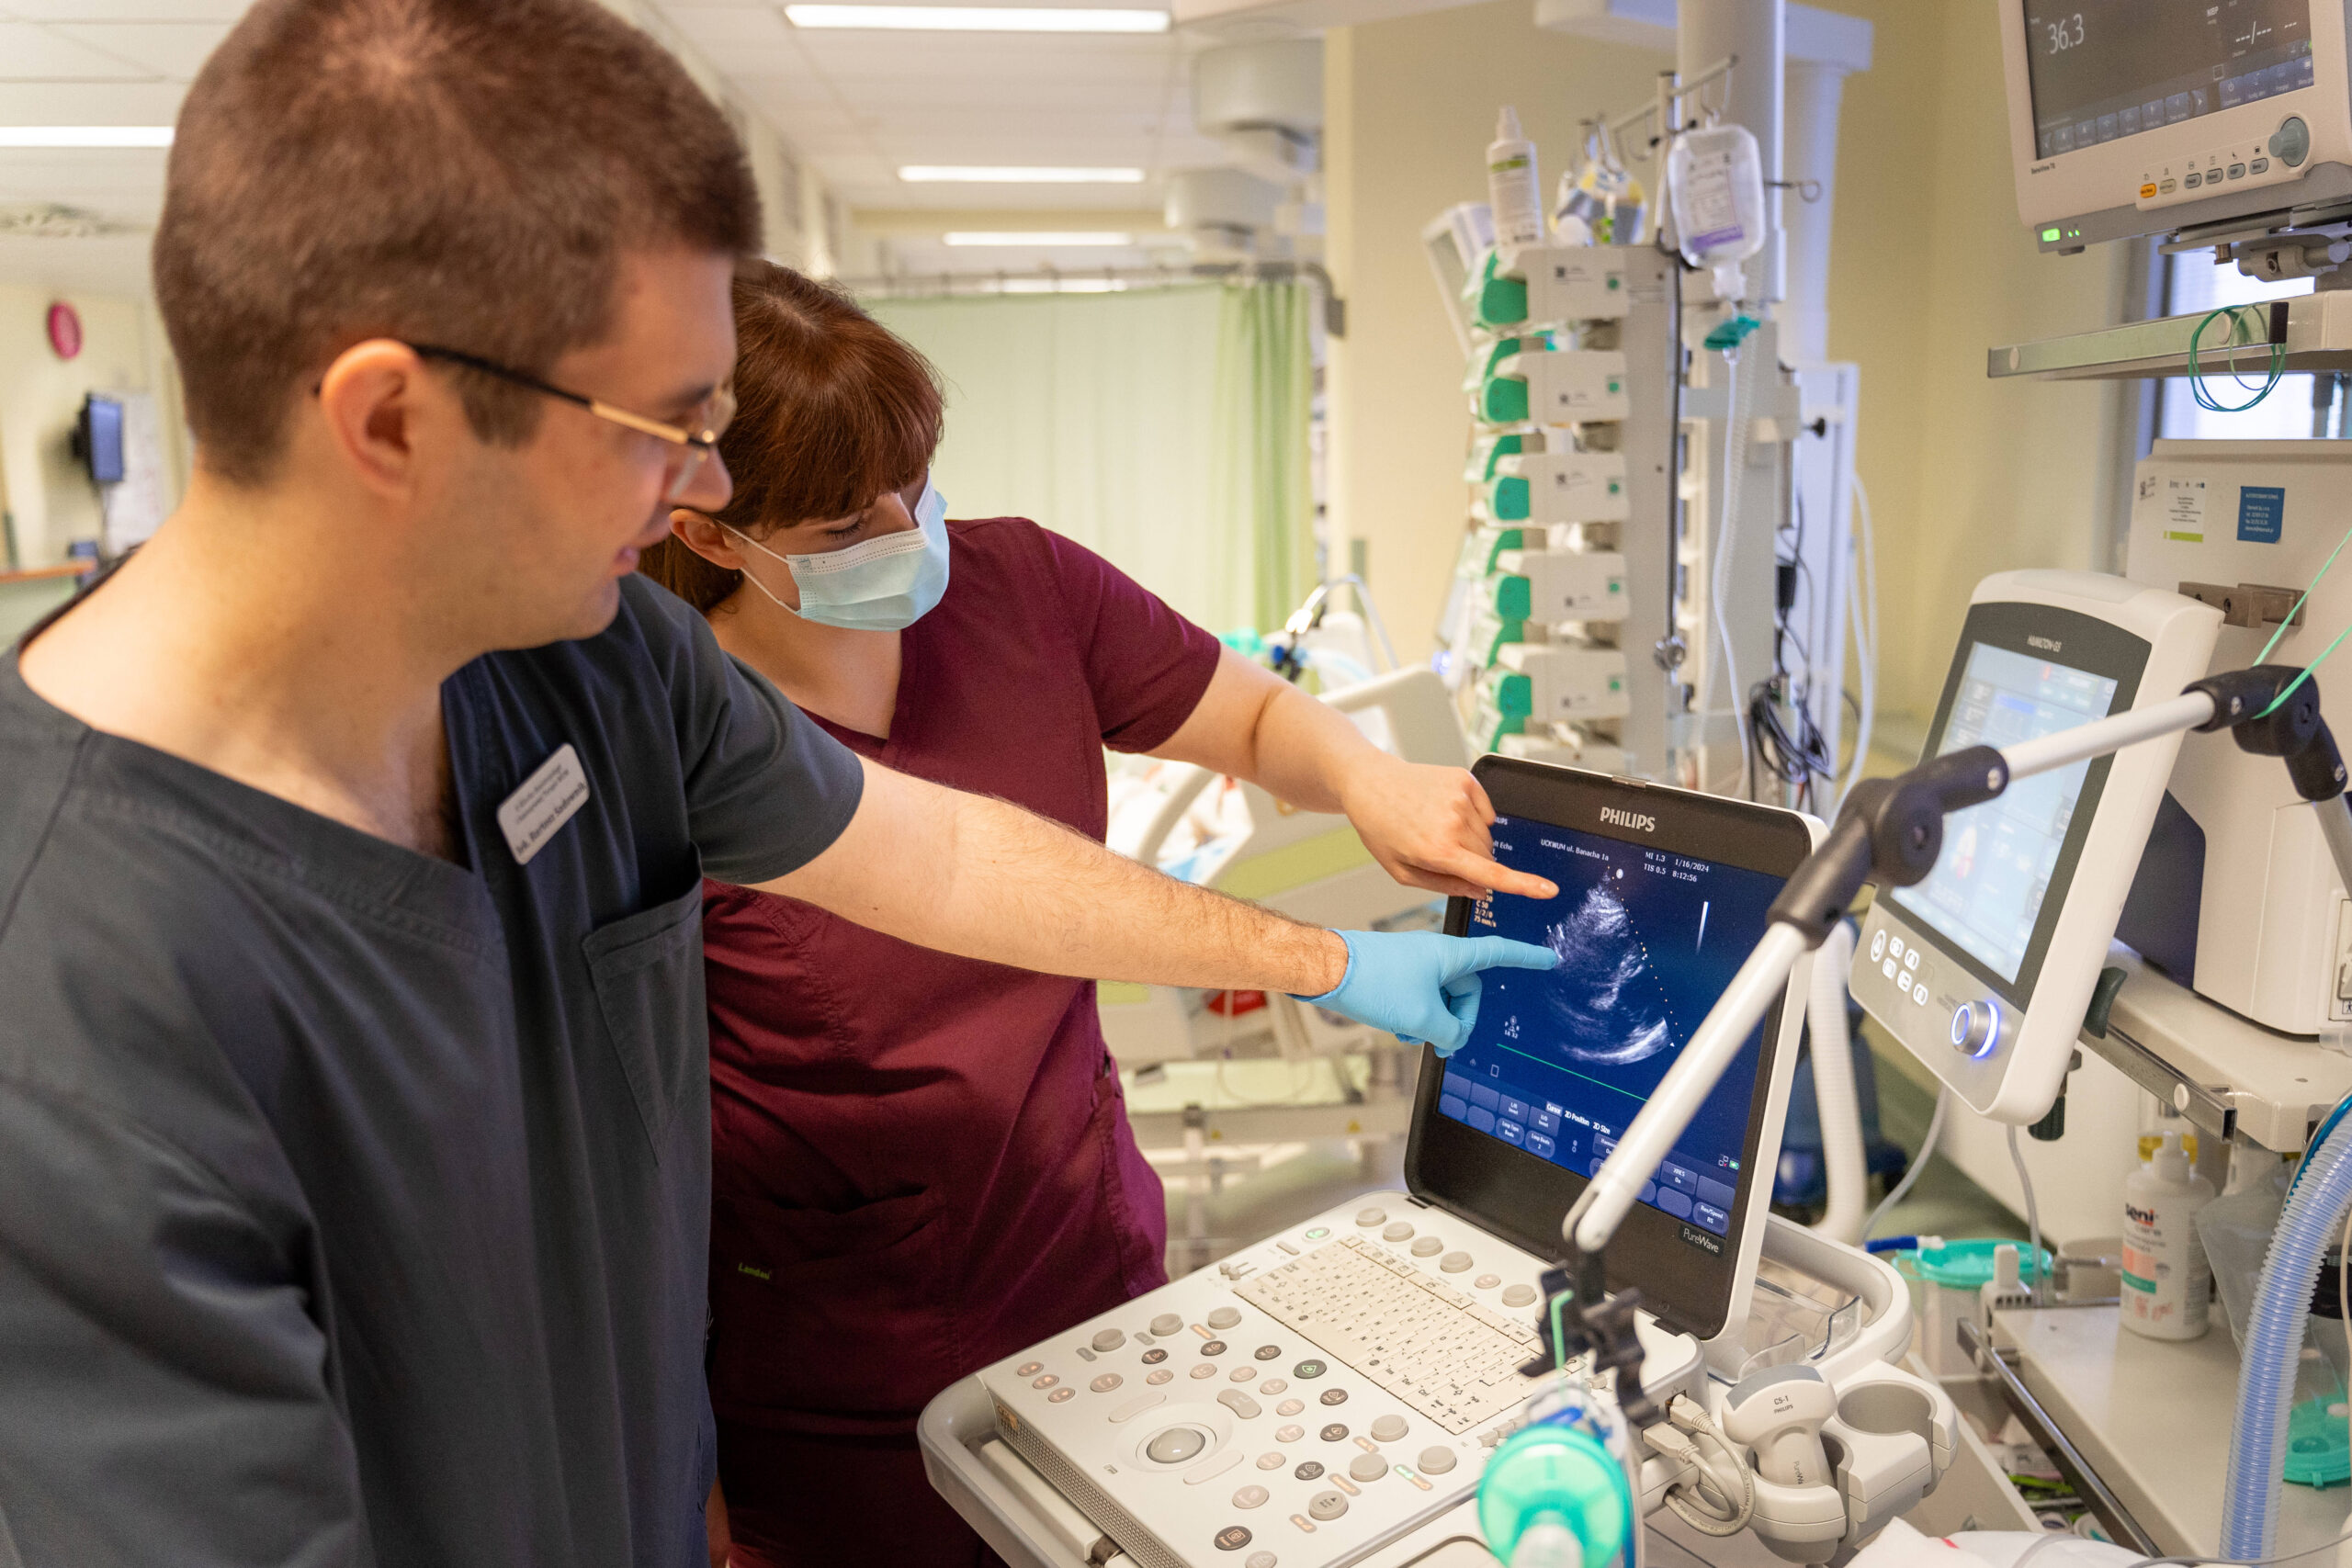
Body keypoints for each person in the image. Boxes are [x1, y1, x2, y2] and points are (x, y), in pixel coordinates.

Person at [0, 3, 1557, 1565]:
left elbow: (945, 863)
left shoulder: (594, 665)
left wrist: (1328, 958)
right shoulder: (73, 992)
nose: (704, 490)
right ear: (393, 419)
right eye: (666, 430)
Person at [640, 265, 1558, 1568]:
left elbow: (1248, 715)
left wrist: (1365, 776)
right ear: (713, 535)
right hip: (845, 1368)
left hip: (1094, 1276)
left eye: (915, 481)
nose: (906, 530)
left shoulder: (1020, 587)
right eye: (847, 522)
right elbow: (956, 883)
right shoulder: (674, 739)